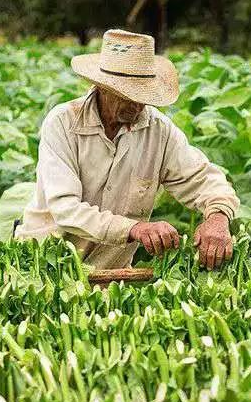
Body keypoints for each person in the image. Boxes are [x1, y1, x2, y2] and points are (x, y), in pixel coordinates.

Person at [15, 29, 239, 270]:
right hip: (43, 270)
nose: (138, 104)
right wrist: (135, 228)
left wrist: (217, 217)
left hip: (110, 274)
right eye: (128, 95)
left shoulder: (158, 130)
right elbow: (65, 209)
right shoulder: (63, 122)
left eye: (143, 95)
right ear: (102, 87)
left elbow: (202, 178)